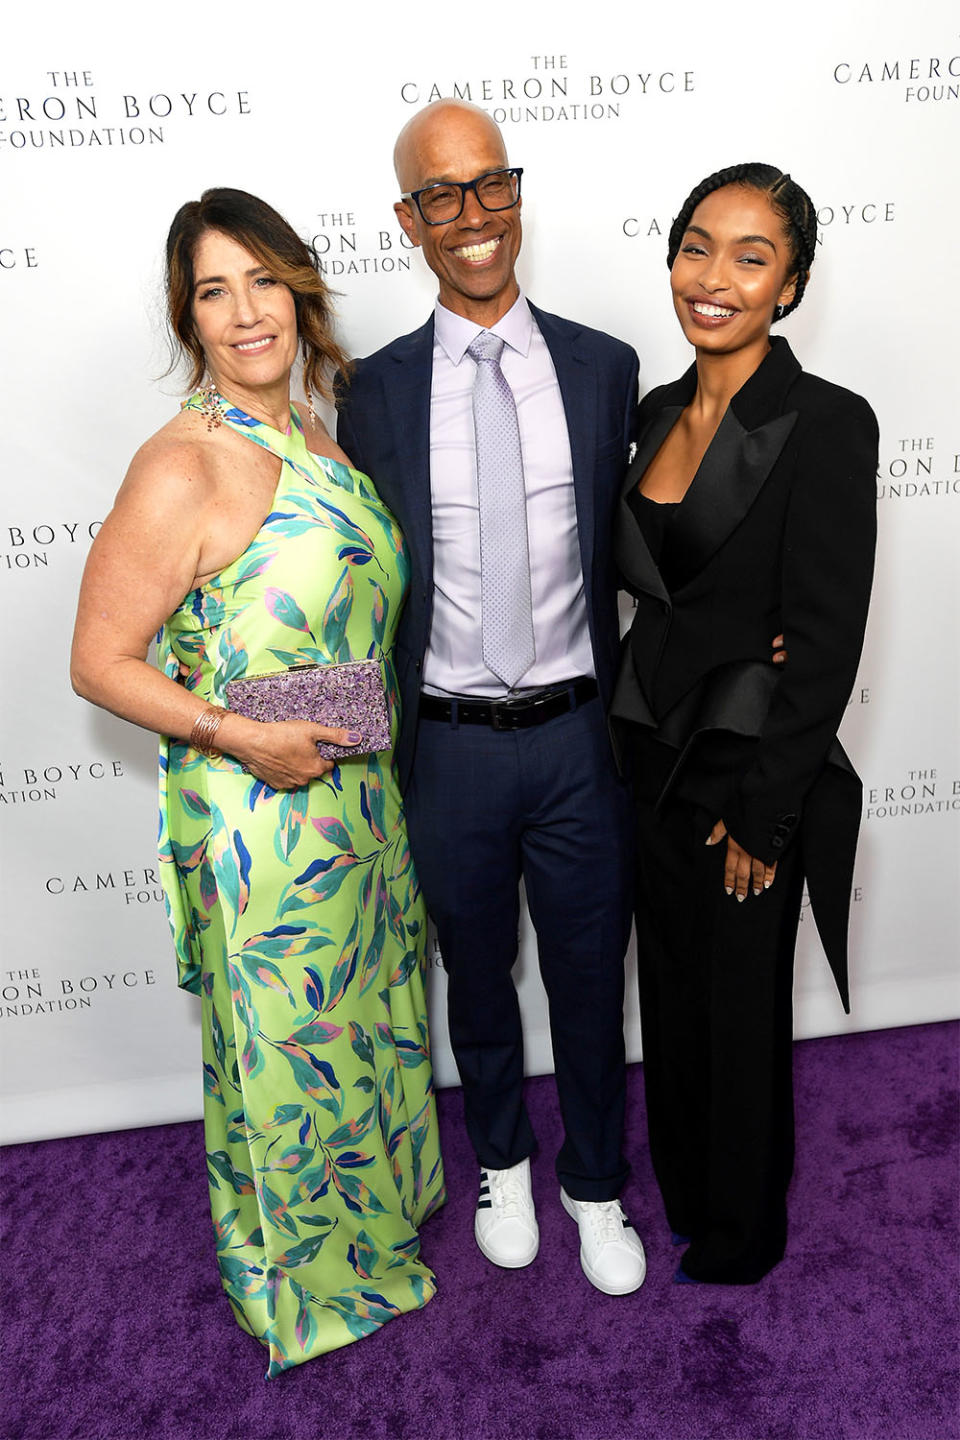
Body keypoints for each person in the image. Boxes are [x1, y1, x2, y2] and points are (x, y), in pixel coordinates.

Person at [70, 188, 445, 1374]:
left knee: (362, 1022)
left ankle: (374, 1229)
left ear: (300, 290)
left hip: (358, 795)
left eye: (262, 282)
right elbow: (98, 663)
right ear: (190, 320)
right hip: (266, 813)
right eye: (212, 292)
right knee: (291, 1041)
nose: (245, 314)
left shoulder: (317, 437)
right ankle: (311, 1283)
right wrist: (238, 736)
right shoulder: (184, 460)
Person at [336, 99, 646, 1295]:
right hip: (450, 745)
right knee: (472, 971)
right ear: (408, 220)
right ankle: (503, 1164)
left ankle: (597, 1185)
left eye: (489, 185)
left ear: (515, 192)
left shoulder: (605, 366)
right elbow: (349, 587)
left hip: (578, 735)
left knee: (585, 975)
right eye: (441, 196)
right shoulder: (368, 394)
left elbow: (655, 544)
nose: (473, 218)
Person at [611, 163, 878, 1284]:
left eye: (750, 256)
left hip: (746, 777)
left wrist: (767, 817)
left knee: (736, 1011)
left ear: (792, 285)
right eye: (696, 246)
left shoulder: (824, 424)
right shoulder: (655, 412)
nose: (713, 278)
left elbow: (823, 643)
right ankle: (683, 1191)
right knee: (667, 994)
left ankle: (742, 1231)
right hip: (642, 755)